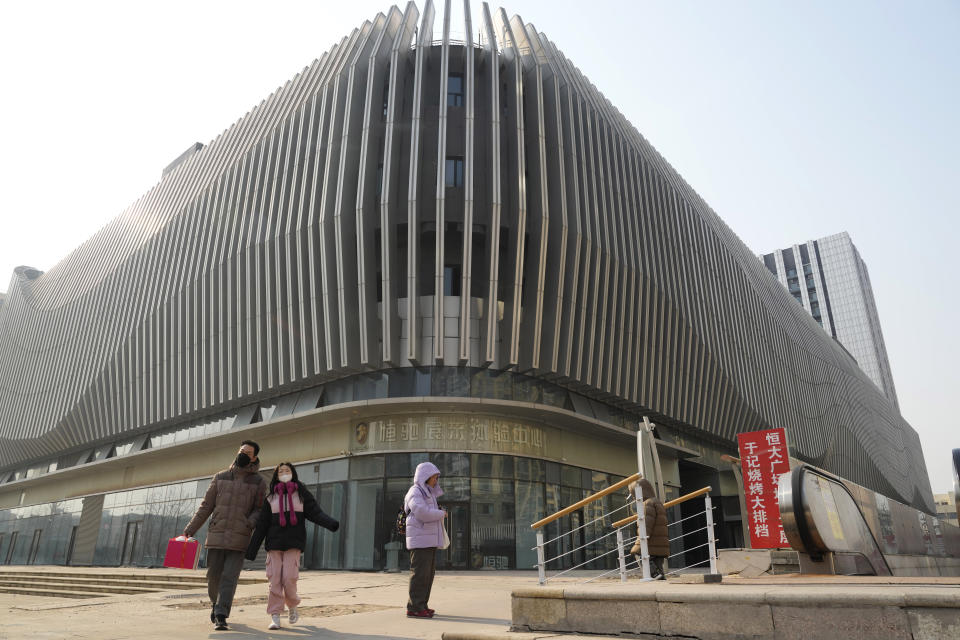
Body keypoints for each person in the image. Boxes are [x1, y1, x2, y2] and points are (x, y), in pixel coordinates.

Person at [246, 462, 340, 630]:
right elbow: (262, 526)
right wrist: (251, 551)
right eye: (281, 471)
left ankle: (293, 606)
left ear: (293, 473)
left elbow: (316, 513)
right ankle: (275, 616)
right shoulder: (271, 498)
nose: (284, 473)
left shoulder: (301, 494)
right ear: (276, 476)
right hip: (274, 546)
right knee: (275, 580)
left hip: (293, 544)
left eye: (287, 470)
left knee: (289, 578)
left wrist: (331, 524)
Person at [184, 440, 267, 631]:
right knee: (213, 576)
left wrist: (249, 523)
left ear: (254, 457)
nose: (243, 454)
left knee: (229, 577)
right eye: (241, 451)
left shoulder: (258, 482)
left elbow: (260, 509)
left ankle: (222, 614)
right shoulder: (220, 477)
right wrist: (191, 529)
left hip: (239, 537)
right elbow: (206, 506)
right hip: (216, 534)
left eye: (248, 452)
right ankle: (215, 603)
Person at [404, 461, 445, 618]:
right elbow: (422, 513)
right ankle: (414, 607)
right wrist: (441, 514)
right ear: (425, 477)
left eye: (436, 478)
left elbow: (428, 511)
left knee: (428, 575)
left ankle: (422, 605)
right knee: (420, 574)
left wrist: (438, 512)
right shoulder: (415, 492)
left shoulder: (428, 492)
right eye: (434, 477)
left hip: (428, 540)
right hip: (420, 541)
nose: (436, 481)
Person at [628, 477, 669, 579]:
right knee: (658, 565)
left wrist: (640, 540)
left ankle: (654, 575)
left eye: (633, 494)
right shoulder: (656, 502)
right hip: (660, 542)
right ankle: (659, 577)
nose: (633, 498)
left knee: (640, 555)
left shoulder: (647, 504)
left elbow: (646, 524)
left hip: (651, 542)